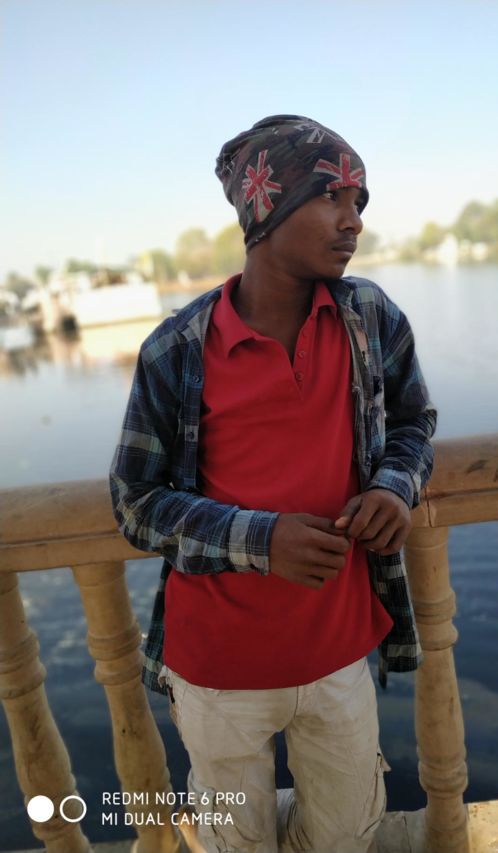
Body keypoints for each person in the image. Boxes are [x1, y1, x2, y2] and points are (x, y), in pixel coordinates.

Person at [110, 114, 436, 853]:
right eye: (333, 196)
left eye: (359, 202)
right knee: (236, 842)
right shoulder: (176, 350)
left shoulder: (371, 318)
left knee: (345, 834)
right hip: (216, 672)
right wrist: (262, 540)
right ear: (267, 207)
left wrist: (395, 485)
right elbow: (135, 503)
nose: (354, 221)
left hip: (340, 652)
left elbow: (415, 421)